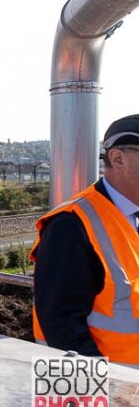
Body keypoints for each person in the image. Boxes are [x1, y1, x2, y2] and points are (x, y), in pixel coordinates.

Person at [30, 114, 139, 364]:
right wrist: (97, 398)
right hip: (108, 393)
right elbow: (59, 329)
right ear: (118, 159)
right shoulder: (69, 226)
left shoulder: (133, 215)